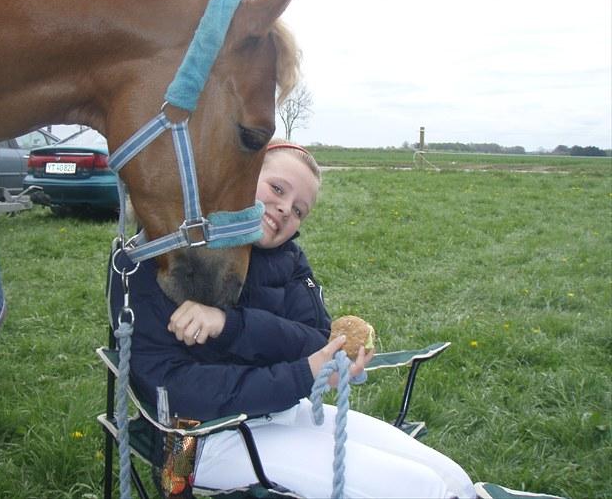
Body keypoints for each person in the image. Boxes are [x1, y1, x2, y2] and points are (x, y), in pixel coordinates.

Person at [121, 140, 476, 498]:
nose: (285, 209)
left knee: (451, 477)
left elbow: (317, 344)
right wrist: (302, 371)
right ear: (242, 173)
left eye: (299, 210)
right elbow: (176, 387)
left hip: (283, 410)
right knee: (422, 488)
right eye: (277, 188)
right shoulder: (164, 251)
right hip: (198, 441)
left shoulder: (287, 260)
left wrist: (230, 325)